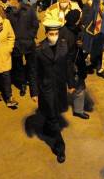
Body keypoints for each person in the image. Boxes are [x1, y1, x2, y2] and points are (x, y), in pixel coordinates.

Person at [36, 20, 76, 163]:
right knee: (53, 117)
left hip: (59, 86)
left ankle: (46, 127)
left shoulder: (63, 45)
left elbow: (67, 66)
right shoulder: (39, 49)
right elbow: (33, 72)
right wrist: (34, 92)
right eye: (51, 34)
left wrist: (71, 83)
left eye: (56, 33)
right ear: (46, 34)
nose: (54, 36)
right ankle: (60, 148)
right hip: (46, 88)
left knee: (54, 111)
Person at [6, 0, 39, 101]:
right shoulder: (8, 12)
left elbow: (35, 24)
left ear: (16, 0)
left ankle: (34, 90)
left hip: (28, 43)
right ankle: (22, 85)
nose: (8, 1)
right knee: (19, 67)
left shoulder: (29, 10)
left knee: (32, 67)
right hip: (16, 44)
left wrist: (31, 36)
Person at [60, 9, 90, 119]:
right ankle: (76, 110)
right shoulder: (65, 34)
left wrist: (82, 44)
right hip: (70, 65)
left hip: (76, 63)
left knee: (79, 87)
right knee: (78, 87)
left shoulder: (75, 29)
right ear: (76, 21)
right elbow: (65, 55)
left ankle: (77, 109)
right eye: (79, 18)